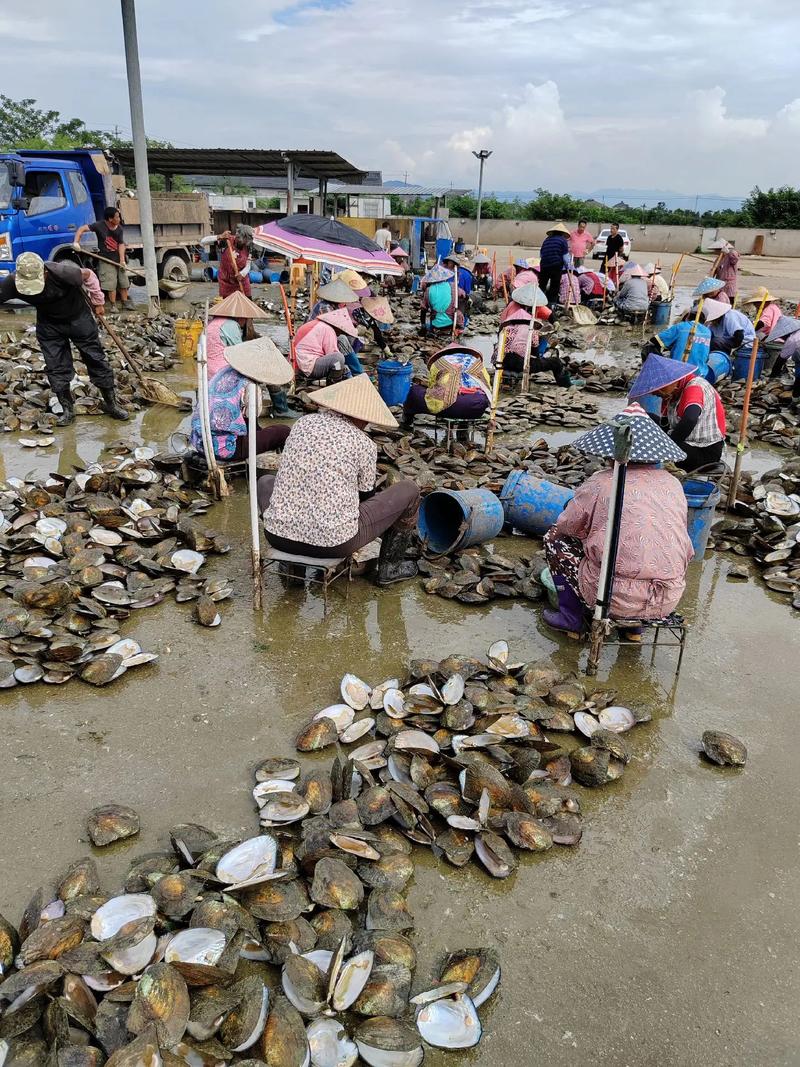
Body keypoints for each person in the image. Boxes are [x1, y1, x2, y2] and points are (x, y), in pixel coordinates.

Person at [542, 402, 694, 637]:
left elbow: (566, 525)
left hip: (611, 597)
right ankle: (635, 630)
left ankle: (571, 618)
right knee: (647, 550)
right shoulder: (673, 484)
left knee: (554, 538)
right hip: (667, 597)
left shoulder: (602, 482)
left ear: (614, 449)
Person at [258, 374, 421, 584]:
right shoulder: (364, 443)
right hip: (334, 544)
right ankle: (390, 568)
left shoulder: (302, 424)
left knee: (265, 482)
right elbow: (366, 497)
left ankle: (294, 570)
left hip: (277, 537)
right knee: (409, 489)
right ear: (361, 416)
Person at [0, 252, 127, 424]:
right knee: (55, 365)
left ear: (44, 272)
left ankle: (112, 404)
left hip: (78, 318)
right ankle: (68, 410)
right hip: (49, 324)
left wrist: (98, 301)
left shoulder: (63, 273)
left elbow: (89, 275)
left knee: (95, 358)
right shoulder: (11, 283)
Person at [190, 336, 291, 462]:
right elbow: (252, 417)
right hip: (226, 448)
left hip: (201, 442)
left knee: (257, 427)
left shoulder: (224, 371)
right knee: (284, 431)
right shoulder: (251, 386)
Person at [207, 290, 299, 417]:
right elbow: (240, 353)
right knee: (268, 371)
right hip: (223, 370)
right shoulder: (230, 325)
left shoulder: (213, 323)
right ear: (241, 317)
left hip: (209, 370)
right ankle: (281, 409)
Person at [629, 353, 726, 472]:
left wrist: (669, 445)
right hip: (686, 443)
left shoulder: (695, 387)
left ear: (670, 382)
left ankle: (641, 467)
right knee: (643, 417)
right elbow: (665, 424)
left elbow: (690, 419)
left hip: (704, 452)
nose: (655, 393)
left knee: (655, 444)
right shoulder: (672, 394)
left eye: (657, 388)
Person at [403, 344, 491, 423]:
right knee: (468, 399)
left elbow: (432, 386)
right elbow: (487, 387)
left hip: (449, 407)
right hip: (477, 408)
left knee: (414, 391)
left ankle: (408, 420)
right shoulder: (476, 362)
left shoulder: (440, 361)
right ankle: (463, 427)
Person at [498, 306, 570, 386]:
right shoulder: (531, 331)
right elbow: (536, 353)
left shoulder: (506, 329)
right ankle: (566, 385)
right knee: (556, 362)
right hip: (520, 363)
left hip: (503, 361)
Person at [74, 207, 129, 309]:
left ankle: (125, 303)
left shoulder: (119, 229)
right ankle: (113, 306)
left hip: (118, 259)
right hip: (105, 259)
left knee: (124, 282)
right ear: (110, 219)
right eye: (117, 217)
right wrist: (76, 242)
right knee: (110, 283)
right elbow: (81, 229)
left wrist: (122, 260)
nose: (119, 219)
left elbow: (121, 244)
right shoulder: (99, 226)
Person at [294, 308, 363, 380]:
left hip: (301, 363)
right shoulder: (328, 329)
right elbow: (332, 353)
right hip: (308, 366)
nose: (339, 333)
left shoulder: (318, 324)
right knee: (338, 359)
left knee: (341, 343)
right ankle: (334, 382)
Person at [643, 310, 711, 379]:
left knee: (648, 347)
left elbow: (655, 340)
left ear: (687, 317)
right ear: (704, 321)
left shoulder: (681, 326)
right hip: (701, 373)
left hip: (678, 372)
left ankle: (652, 375)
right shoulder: (708, 331)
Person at [420, 264, 461, 335]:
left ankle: (428, 328)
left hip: (435, 323)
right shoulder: (452, 286)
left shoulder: (428, 290)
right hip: (451, 322)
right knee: (461, 302)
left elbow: (423, 309)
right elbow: (463, 295)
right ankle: (460, 329)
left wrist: (423, 325)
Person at [538, 223, 571, 306]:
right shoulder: (563, 241)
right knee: (554, 285)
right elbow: (565, 258)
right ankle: (551, 304)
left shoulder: (546, 240)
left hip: (544, 265)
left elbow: (541, 254)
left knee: (542, 284)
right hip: (556, 265)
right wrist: (568, 266)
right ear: (562, 233)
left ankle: (538, 302)